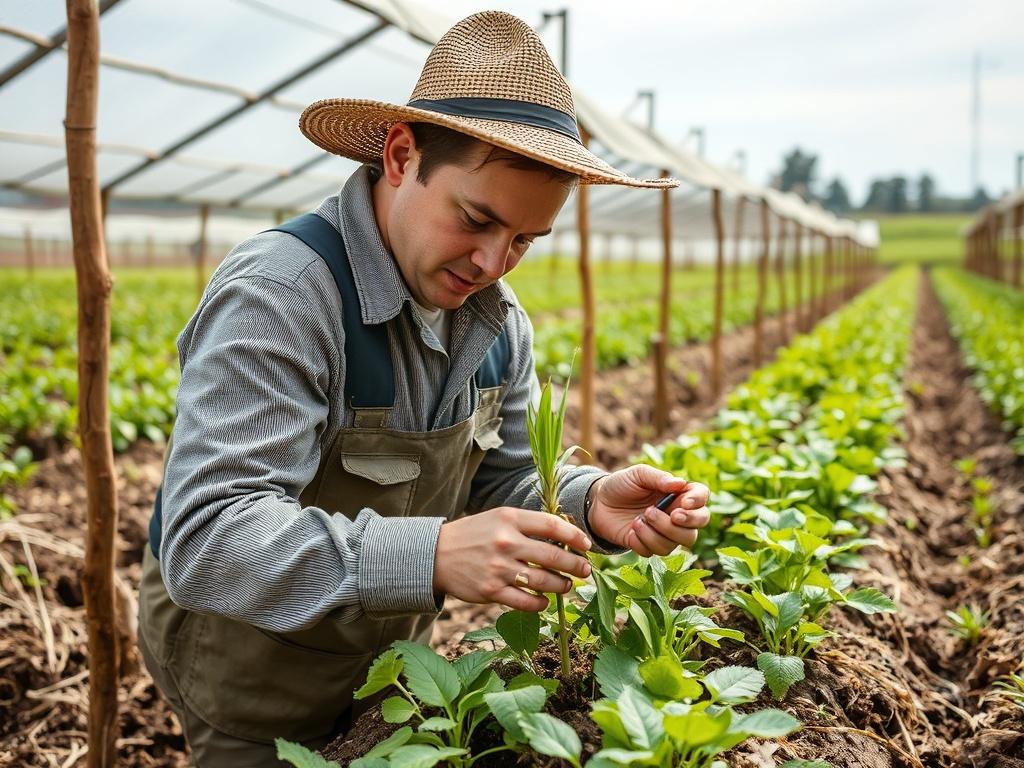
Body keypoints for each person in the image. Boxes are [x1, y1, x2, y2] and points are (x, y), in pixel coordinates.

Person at [138, 10, 711, 767]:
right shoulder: (284, 296)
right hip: (253, 680)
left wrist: (586, 500)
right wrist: (433, 554)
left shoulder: (497, 325)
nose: (493, 262)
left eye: (523, 241)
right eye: (477, 219)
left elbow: (499, 475)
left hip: (393, 673)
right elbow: (211, 538)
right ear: (402, 156)